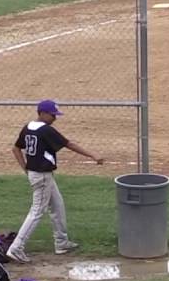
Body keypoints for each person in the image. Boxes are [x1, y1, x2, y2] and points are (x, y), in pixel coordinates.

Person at [6, 99, 104, 263]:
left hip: (39, 174)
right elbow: (69, 144)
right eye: (52, 115)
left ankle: (61, 242)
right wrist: (92, 155)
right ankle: (16, 248)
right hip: (42, 176)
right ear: (42, 113)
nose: (55, 118)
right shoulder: (45, 130)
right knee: (37, 211)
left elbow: (16, 148)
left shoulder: (28, 127)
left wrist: (26, 168)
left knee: (57, 205)